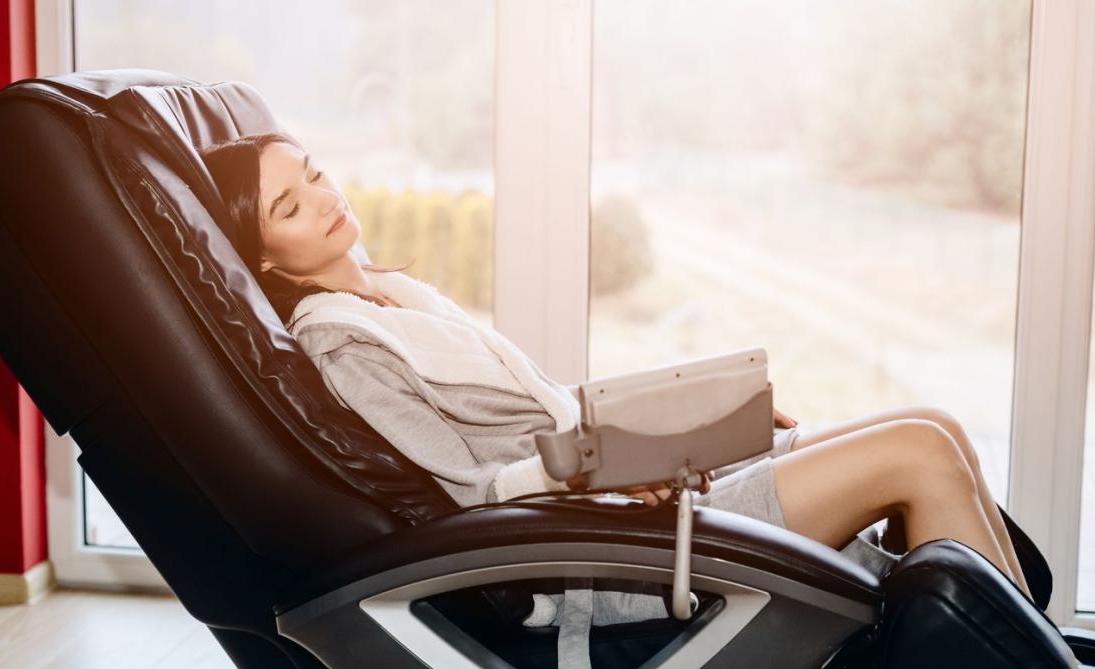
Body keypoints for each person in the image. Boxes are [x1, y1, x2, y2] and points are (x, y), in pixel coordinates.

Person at [197, 130, 1032, 604]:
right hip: (599, 547)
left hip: (631, 496)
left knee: (935, 425)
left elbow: (554, 411)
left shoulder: (392, 294)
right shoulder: (341, 345)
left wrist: (705, 421)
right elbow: (472, 491)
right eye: (290, 206)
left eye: (313, 173)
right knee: (916, 455)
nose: (323, 197)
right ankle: (1021, 667)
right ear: (265, 254)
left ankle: (1017, 648)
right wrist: (603, 469)